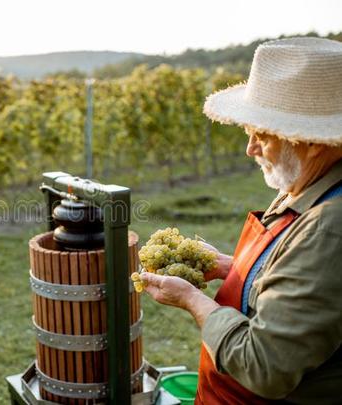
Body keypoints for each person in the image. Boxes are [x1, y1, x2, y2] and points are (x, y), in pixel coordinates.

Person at [140, 37, 342, 404]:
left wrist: (193, 300)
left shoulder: (330, 227)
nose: (249, 149)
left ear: (311, 142)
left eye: (261, 135)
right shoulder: (312, 185)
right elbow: (309, 287)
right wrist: (231, 268)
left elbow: (264, 366)